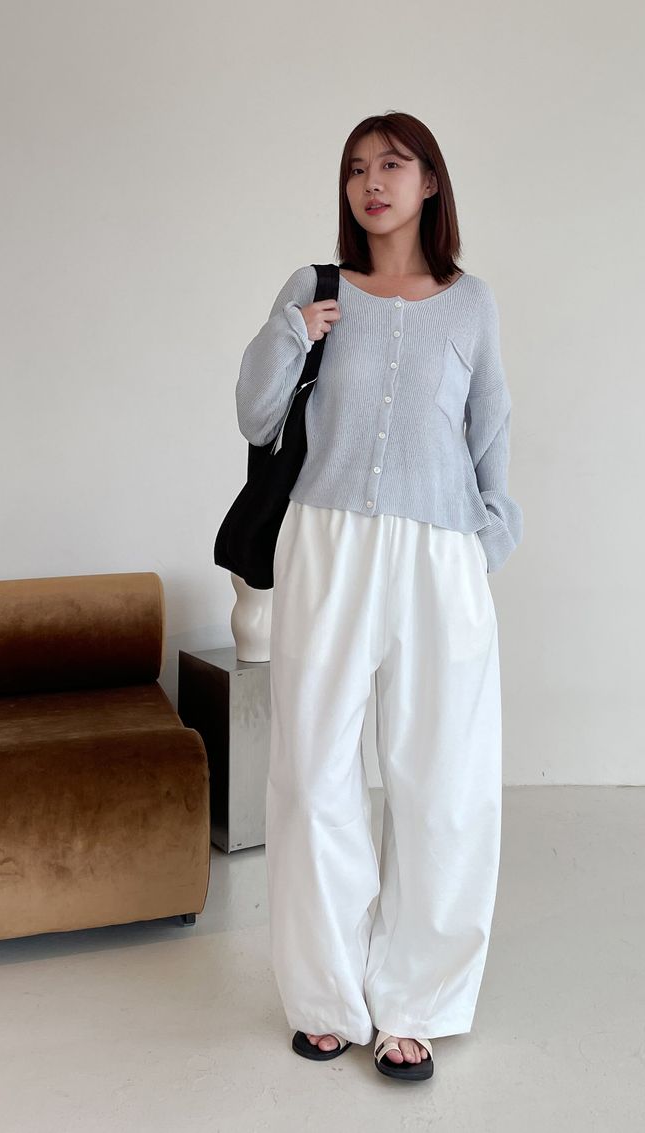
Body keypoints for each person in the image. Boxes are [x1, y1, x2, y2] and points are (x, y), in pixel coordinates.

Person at [235, 111, 523, 1082]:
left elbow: (491, 429)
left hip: (440, 555)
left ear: (430, 181)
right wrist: (292, 332)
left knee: (443, 780)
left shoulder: (472, 303)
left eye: (392, 165)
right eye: (357, 167)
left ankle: (417, 1001)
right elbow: (257, 414)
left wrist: (484, 539)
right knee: (314, 768)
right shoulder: (314, 288)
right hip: (327, 543)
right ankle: (326, 997)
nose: (373, 182)